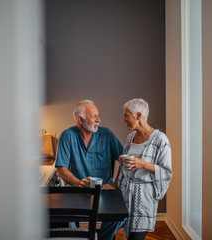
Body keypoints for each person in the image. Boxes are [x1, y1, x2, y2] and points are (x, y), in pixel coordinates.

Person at [55, 99, 125, 240]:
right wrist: (77, 183)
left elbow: (125, 161)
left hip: (105, 191)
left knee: (121, 216)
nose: (98, 120)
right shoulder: (67, 136)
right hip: (77, 191)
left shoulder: (107, 134)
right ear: (80, 120)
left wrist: (115, 184)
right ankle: (81, 237)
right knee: (64, 220)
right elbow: (61, 169)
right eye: (94, 116)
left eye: (98, 115)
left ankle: (100, 238)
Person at [118, 98, 172, 240]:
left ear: (139, 115)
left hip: (144, 199)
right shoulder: (130, 137)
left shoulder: (160, 139)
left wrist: (143, 164)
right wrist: (122, 160)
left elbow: (166, 171)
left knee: (137, 237)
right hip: (125, 196)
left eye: (126, 115)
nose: (124, 119)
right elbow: (128, 165)